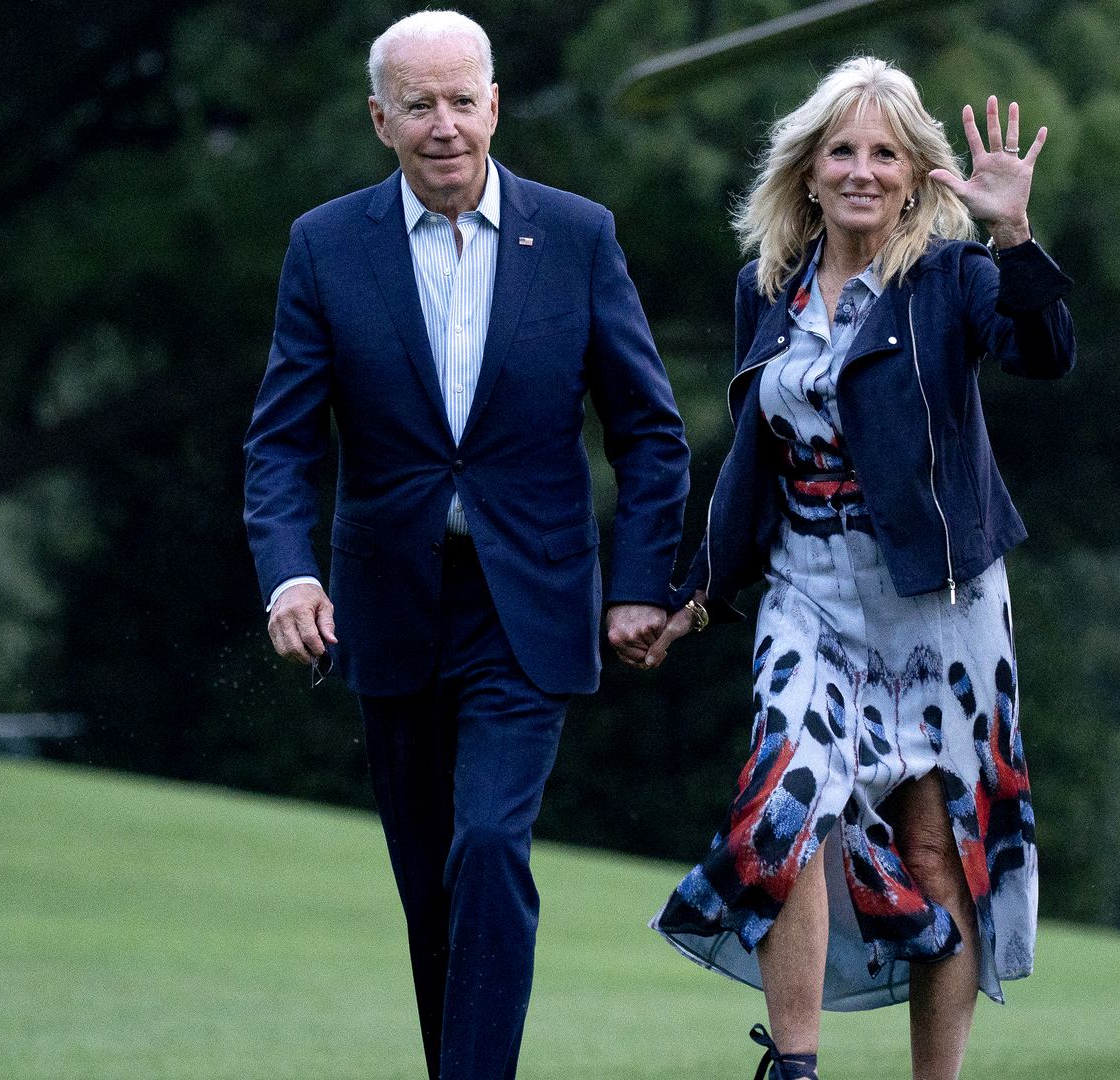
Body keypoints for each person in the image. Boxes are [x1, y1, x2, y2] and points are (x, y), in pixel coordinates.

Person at [240, 12, 688, 1079]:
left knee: (488, 844)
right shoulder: (325, 245)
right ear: (379, 120)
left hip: (525, 604)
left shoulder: (576, 236)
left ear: (494, 105)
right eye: (417, 105)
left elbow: (651, 433)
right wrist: (289, 575)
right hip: (388, 604)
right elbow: (281, 442)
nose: (443, 125)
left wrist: (638, 584)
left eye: (461, 101)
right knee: (429, 885)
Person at [641, 56, 1073, 1080]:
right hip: (809, 598)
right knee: (788, 807)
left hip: (941, 609)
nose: (863, 170)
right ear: (809, 169)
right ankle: (795, 1068)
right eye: (843, 150)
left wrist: (1014, 233)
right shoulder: (769, 295)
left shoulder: (953, 282)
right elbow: (752, 458)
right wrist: (701, 588)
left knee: (936, 855)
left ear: (919, 174)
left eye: (886, 152)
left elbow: (1044, 354)